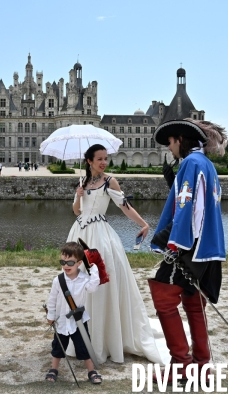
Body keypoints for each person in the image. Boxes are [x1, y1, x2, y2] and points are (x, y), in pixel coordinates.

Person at [66, 144, 163, 365]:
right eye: (99, 159)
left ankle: (105, 338)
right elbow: (76, 211)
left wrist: (144, 223)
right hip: (79, 232)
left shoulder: (110, 181)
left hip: (100, 236)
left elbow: (124, 205)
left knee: (101, 283)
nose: (103, 162)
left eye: (105, 159)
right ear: (89, 161)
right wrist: (78, 196)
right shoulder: (82, 182)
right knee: (78, 284)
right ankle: (82, 336)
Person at [149, 118, 228, 384]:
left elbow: (190, 210)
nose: (170, 148)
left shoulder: (191, 163)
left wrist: (174, 244)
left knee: (163, 295)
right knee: (194, 301)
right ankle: (201, 365)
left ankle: (182, 366)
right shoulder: (205, 164)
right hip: (207, 247)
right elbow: (199, 203)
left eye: (171, 142)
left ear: (180, 139)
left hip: (189, 247)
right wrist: (174, 184)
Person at [46, 242, 102, 384]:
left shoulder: (84, 279)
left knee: (83, 346)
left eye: (70, 262)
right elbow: (52, 299)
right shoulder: (58, 280)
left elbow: (93, 288)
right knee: (58, 346)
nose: (66, 265)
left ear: (79, 263)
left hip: (79, 321)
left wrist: (94, 269)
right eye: (63, 262)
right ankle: (53, 369)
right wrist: (50, 316)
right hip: (61, 321)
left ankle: (91, 371)